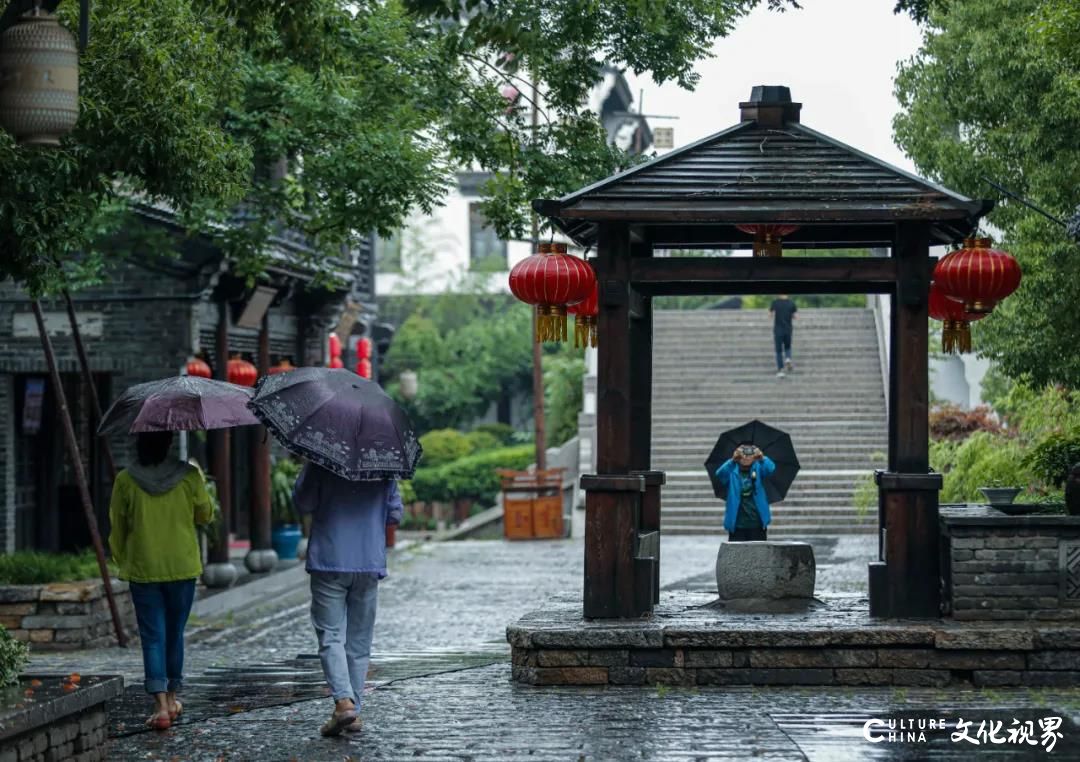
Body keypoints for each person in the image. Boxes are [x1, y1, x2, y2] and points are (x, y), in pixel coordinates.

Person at [108, 431, 213, 730]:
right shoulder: (189, 475)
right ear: (168, 444)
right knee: (174, 633)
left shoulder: (126, 480)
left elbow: (118, 526)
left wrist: (122, 557)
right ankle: (173, 696)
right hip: (182, 566)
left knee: (153, 636)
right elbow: (205, 515)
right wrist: (198, 485)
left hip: (144, 568)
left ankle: (161, 706)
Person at [293, 462, 402, 737]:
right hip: (368, 561)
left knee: (330, 635)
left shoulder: (321, 462)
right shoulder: (383, 464)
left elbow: (303, 503)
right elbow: (395, 515)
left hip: (329, 559)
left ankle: (344, 702)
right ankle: (353, 712)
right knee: (359, 642)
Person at [714, 444, 776, 541]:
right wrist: (732, 460)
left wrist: (762, 458)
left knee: (758, 554)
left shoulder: (759, 468)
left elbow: (771, 468)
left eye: (749, 454)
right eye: (743, 453)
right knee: (737, 555)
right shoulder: (732, 470)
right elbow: (720, 474)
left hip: (757, 522)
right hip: (737, 524)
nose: (746, 457)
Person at [769, 294, 797, 378]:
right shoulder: (791, 303)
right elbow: (795, 316)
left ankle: (780, 370)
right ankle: (788, 358)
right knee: (787, 347)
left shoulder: (775, 302)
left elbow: (770, 314)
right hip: (788, 329)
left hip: (778, 330)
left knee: (778, 350)